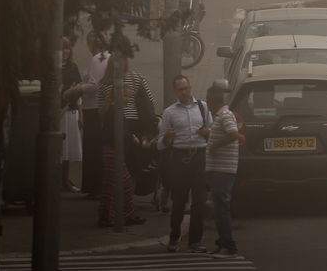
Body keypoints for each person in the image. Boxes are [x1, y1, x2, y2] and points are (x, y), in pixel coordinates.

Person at [95, 49, 153, 228]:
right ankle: (121, 211)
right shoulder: (106, 84)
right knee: (121, 175)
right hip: (121, 129)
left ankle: (121, 209)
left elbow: (148, 102)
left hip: (131, 127)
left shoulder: (136, 78)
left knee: (129, 171)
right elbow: (101, 110)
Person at [159, 74, 211, 254]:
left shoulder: (203, 108)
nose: (184, 92)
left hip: (199, 157)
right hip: (179, 158)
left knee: (199, 201)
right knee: (179, 201)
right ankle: (174, 238)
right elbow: (160, 143)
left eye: (186, 88)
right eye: (180, 89)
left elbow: (211, 133)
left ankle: (195, 241)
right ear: (175, 91)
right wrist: (167, 137)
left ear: (191, 88)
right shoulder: (170, 112)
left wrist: (207, 133)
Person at [205, 81, 242, 259]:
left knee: (221, 208)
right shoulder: (222, 115)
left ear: (211, 101)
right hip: (220, 169)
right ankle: (223, 243)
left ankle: (229, 246)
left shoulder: (224, 114)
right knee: (218, 208)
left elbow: (233, 134)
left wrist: (214, 146)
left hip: (224, 170)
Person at [79, 30, 110, 196]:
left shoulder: (98, 59)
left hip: (93, 108)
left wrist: (77, 89)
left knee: (93, 149)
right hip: (99, 107)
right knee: (96, 148)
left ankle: (94, 186)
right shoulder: (107, 57)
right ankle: (96, 185)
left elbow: (94, 86)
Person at [59, 36, 84, 193]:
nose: (65, 51)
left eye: (67, 48)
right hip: (58, 112)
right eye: (62, 48)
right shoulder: (52, 68)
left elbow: (79, 88)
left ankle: (65, 179)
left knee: (68, 148)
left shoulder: (73, 67)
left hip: (71, 111)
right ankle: (57, 179)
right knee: (59, 147)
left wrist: (81, 115)